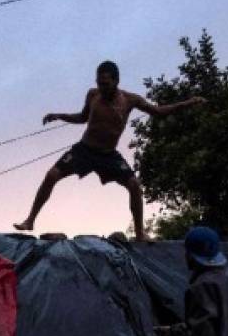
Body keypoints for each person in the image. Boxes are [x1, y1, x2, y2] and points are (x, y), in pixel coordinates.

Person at [13, 61, 206, 241]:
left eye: (105, 84)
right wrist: (59, 115)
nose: (101, 87)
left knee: (134, 185)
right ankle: (30, 220)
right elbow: (82, 117)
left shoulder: (130, 100)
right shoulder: (93, 94)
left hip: (108, 155)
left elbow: (158, 112)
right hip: (85, 150)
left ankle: (140, 232)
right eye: (99, 82)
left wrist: (187, 103)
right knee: (51, 175)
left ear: (116, 81)